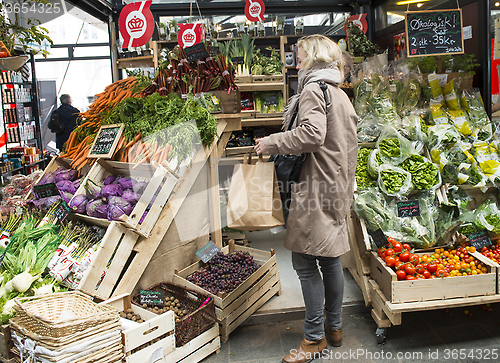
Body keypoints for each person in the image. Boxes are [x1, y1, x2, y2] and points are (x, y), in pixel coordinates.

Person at [254, 35, 358, 363]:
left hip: (314, 186)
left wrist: (271, 141)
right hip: (336, 184)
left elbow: (311, 135)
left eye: (298, 56)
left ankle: (314, 340)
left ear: (312, 57)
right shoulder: (339, 93)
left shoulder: (314, 89)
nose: (295, 62)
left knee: (303, 260)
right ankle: (335, 327)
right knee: (329, 259)